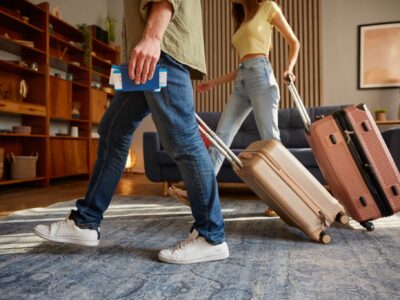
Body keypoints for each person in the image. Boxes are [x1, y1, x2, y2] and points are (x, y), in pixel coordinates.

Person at [33, 0, 229, 265]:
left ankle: (211, 236)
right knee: (114, 130)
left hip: (161, 50)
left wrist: (152, 37)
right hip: (143, 57)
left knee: (184, 139)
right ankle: (86, 222)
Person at [168, 0, 300, 217]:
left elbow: (294, 42)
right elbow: (242, 67)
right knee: (221, 137)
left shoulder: (269, 7)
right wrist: (213, 83)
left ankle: (280, 200)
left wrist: (289, 69)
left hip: (261, 77)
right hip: (242, 80)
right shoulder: (243, 19)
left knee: (270, 140)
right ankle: (198, 194)